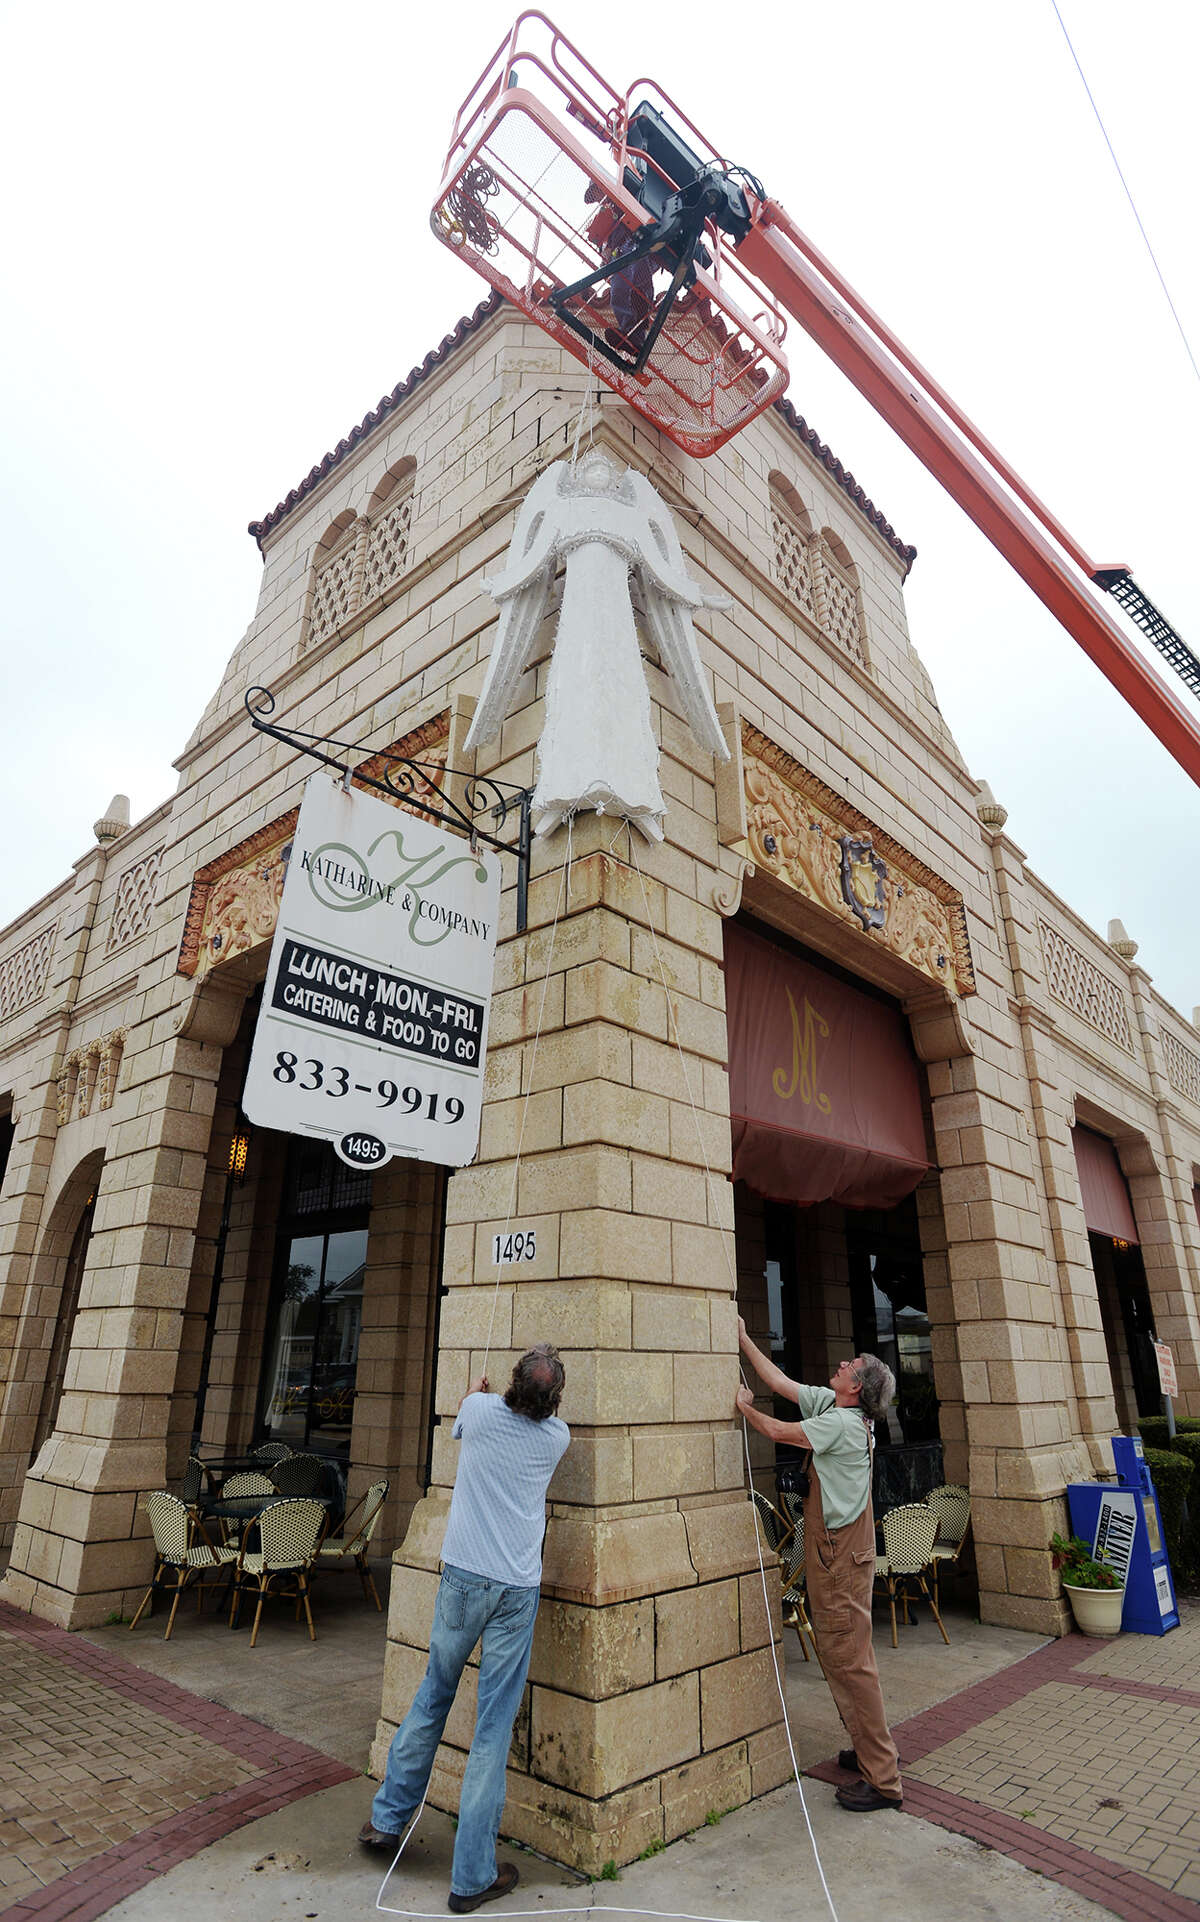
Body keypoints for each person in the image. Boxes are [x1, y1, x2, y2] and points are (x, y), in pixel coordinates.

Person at [359, 1344, 569, 1909]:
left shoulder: (477, 1413)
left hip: (463, 1579)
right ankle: (472, 1874)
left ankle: (386, 1820)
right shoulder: (557, 1438)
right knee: (492, 1727)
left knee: (433, 1696)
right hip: (515, 1588)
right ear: (553, 1399)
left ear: (511, 1384)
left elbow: (467, 1413)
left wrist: (475, 1391)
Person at [735, 1318, 903, 1813]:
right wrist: (743, 1338)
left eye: (853, 1365)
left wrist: (744, 1409)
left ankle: (884, 1778)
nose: (844, 1362)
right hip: (839, 1552)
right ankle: (867, 1750)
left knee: (851, 1661)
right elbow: (782, 1385)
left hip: (839, 1557)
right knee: (841, 1656)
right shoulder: (836, 1405)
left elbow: (777, 1429)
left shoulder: (843, 1424)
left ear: (857, 1388)